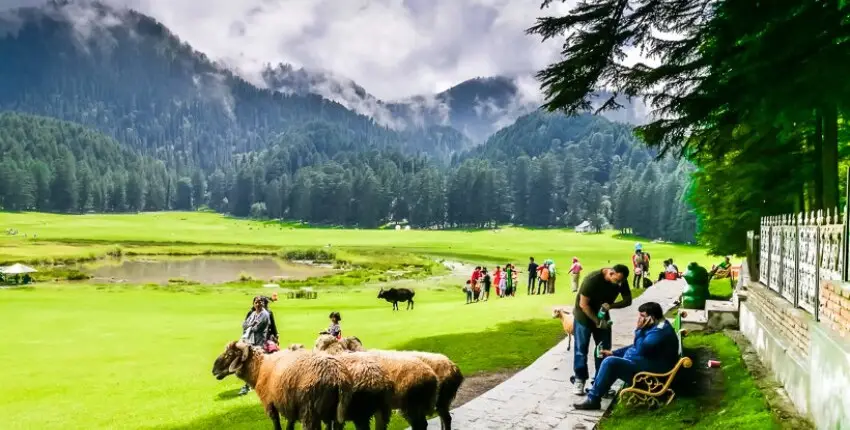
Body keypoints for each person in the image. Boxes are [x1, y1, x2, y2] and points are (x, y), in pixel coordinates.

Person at [573, 302, 679, 410]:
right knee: (611, 359)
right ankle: (598, 390)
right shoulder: (655, 326)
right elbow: (636, 346)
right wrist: (614, 353)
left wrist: (639, 330)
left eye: (642, 316)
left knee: (610, 362)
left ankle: (593, 399)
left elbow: (641, 349)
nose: (639, 319)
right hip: (644, 365)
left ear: (651, 317)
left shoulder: (659, 331)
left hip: (649, 374)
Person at [572, 264, 632, 395]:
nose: (619, 284)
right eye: (617, 280)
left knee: (603, 349)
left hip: (602, 314)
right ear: (611, 273)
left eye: (621, 281)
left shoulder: (621, 280)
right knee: (581, 349)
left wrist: (610, 306)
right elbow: (583, 304)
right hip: (583, 315)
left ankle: (600, 382)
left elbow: (628, 300)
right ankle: (579, 379)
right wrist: (598, 322)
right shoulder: (592, 280)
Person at [239, 296, 271, 395]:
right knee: (250, 363)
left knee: (255, 364)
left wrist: (249, 325)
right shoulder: (253, 314)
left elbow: (256, 328)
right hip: (250, 341)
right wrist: (250, 325)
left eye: (260, 302)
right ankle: (251, 384)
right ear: (253, 304)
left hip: (259, 342)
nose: (258, 304)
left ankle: (250, 385)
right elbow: (244, 325)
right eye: (256, 302)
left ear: (263, 303)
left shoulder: (264, 315)